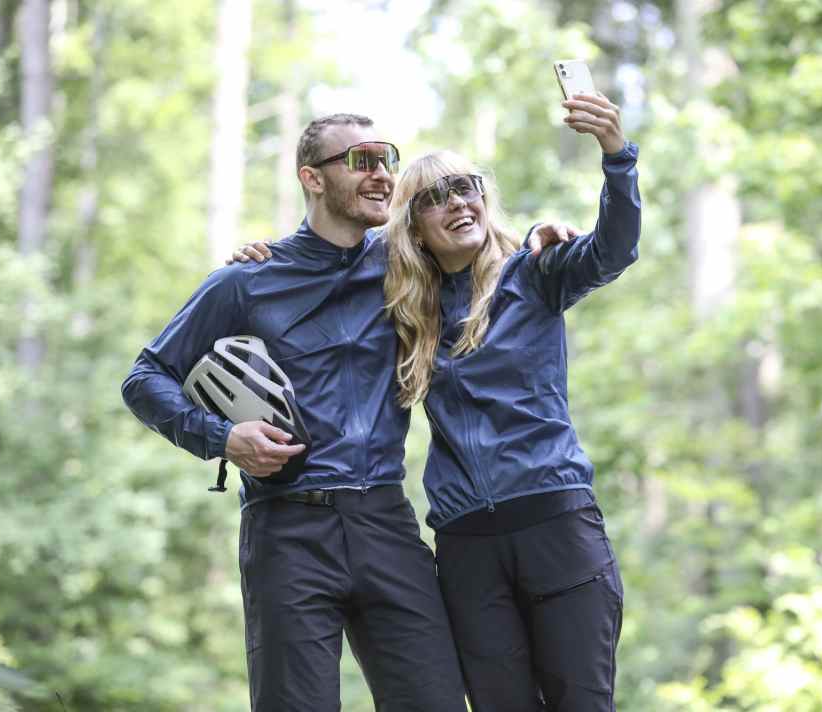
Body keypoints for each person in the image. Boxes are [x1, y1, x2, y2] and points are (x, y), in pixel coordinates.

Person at [234, 92, 640, 710]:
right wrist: (266, 255)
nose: (456, 202)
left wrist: (615, 156)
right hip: (466, 543)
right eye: (432, 197)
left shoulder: (535, 274)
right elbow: (325, 263)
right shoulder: (405, 305)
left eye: (466, 186)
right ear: (413, 229)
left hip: (556, 523)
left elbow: (613, 249)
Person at [121, 114, 471, 712]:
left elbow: (480, 241)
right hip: (287, 532)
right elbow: (144, 378)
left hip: (385, 521)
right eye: (362, 161)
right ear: (312, 177)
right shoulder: (246, 280)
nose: (383, 175)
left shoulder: (405, 262)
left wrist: (547, 233)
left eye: (386, 158)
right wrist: (224, 437)